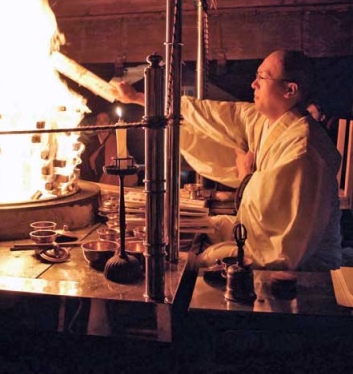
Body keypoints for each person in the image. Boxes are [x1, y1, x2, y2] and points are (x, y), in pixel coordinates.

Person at [114, 50, 342, 271]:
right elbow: (211, 115)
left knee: (191, 262)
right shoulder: (266, 121)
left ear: (290, 90)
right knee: (204, 226)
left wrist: (246, 178)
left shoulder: (302, 151)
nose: (254, 84)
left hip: (299, 266)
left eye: (262, 77)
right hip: (260, 239)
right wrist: (139, 99)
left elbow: (278, 242)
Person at [80, 110, 138, 186]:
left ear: (111, 124)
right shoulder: (91, 141)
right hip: (92, 184)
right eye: (98, 120)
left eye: (105, 120)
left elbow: (124, 163)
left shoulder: (117, 141)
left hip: (110, 185)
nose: (101, 123)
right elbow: (84, 164)